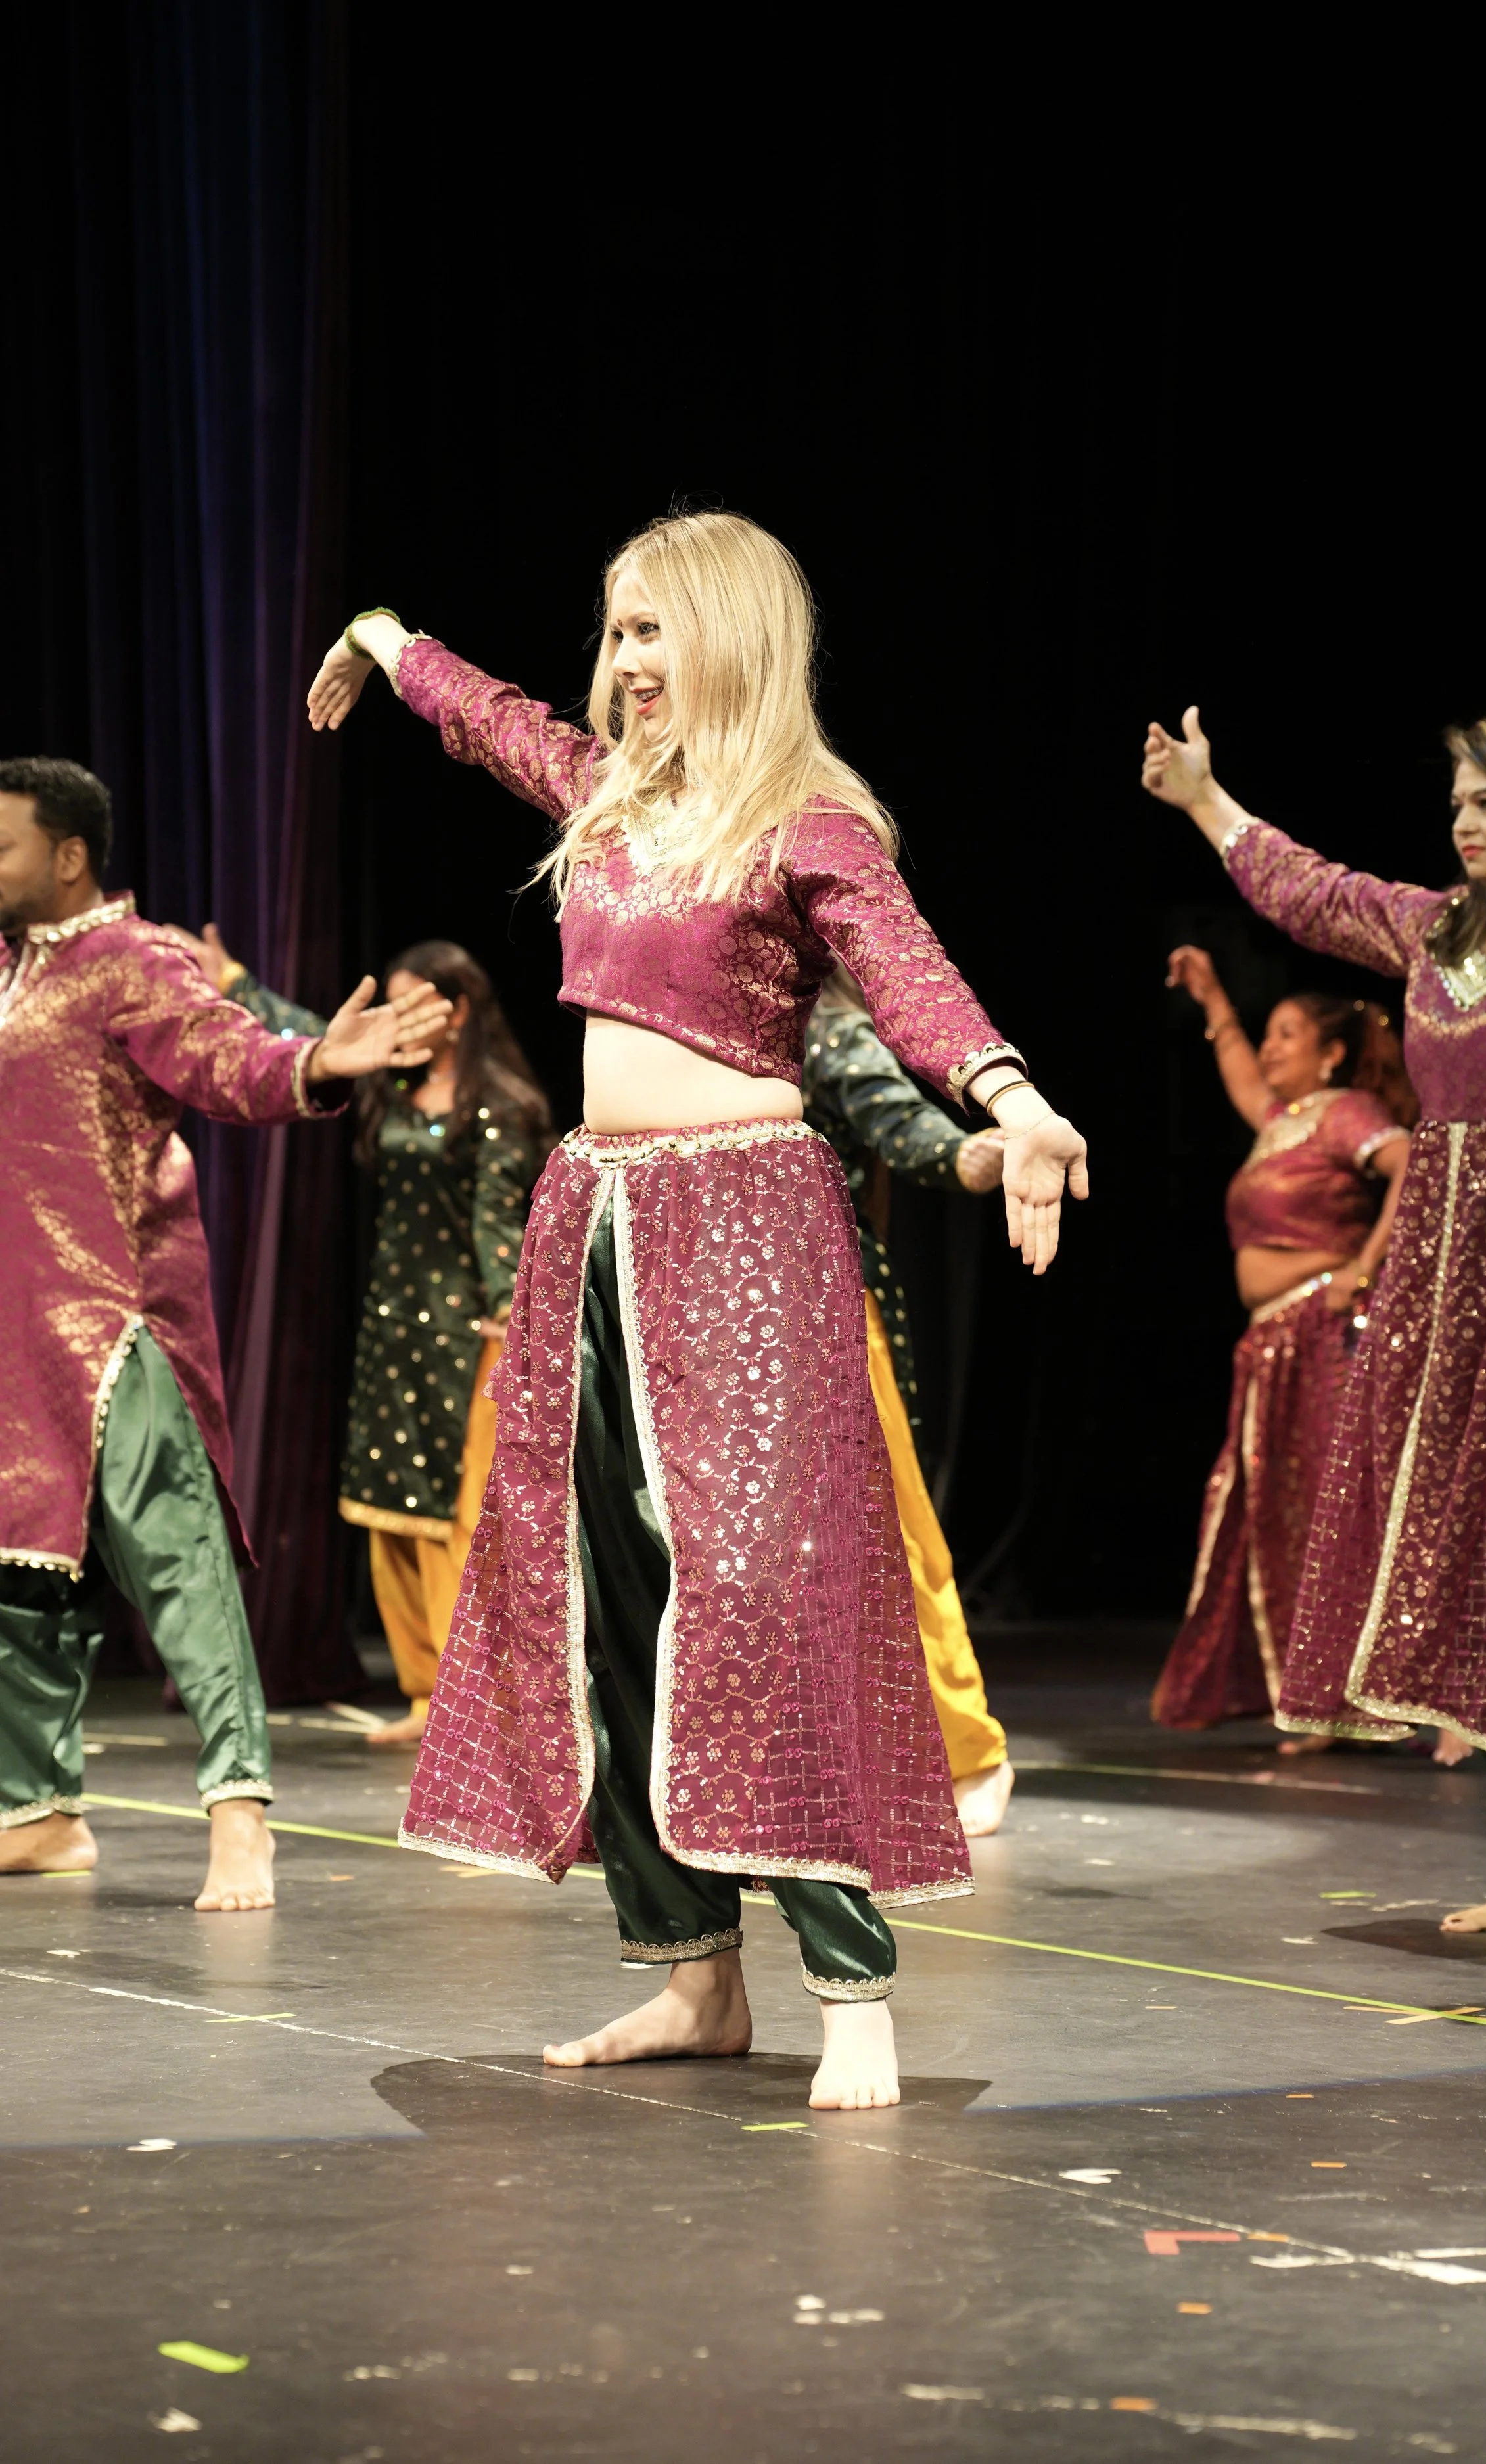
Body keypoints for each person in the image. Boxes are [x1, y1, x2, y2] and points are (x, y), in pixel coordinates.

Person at [308, 514, 1088, 2106]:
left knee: (756, 1596)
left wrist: (1012, 1101)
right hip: (595, 1220)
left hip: (743, 1224)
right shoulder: (604, 799)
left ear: (732, 636)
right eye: (616, 632)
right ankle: (693, 1975)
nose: (627, 661)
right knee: (610, 1595)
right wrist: (384, 640)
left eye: (655, 629)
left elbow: (906, 971)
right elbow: (491, 718)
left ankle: (851, 1983)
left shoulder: (806, 822)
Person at [1142, 704, 1486, 1948]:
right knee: (1472, 1562)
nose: (1461, 821)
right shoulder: (1435, 931)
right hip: (1447, 1294)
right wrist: (1205, 800)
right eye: (1457, 800)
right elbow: (1309, 890)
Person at [0, 757, 450, 1909]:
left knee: (177, 1562)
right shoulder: (7, 970)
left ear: (68, 856)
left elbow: (225, 1057)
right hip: (13, 1330)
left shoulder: (131, 959)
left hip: (111, 1318)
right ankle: (38, 1812)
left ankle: (241, 1811)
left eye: (3, 848)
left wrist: (316, 1060)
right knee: (20, 1579)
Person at [178, 930, 551, 1746]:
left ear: (458, 1013)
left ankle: (476, 1701)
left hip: (468, 1336)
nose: (397, 1020)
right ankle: (424, 1693)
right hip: (394, 1328)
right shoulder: (396, 1085)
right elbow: (318, 1037)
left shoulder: (500, 1104)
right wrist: (235, 981)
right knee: (390, 1511)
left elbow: (499, 1218)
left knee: (459, 1519)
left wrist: (509, 1311)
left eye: (414, 1006)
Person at [1151, 949, 1412, 1741]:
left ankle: (1357, 1702)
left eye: (1287, 1034)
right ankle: (1312, 1696)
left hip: (1324, 1338)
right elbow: (1240, 1074)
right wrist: (1213, 1001)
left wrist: (1363, 1267)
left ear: (1330, 1053)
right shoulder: (1279, 1123)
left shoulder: (1343, 1112)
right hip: (1273, 1345)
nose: (1270, 1047)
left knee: (1330, 1516)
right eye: (1268, 1034)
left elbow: (1412, 1162)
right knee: (1275, 1513)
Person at [804, 964, 1015, 1835]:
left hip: (821, 1308)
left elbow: (897, 1117)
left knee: (887, 1529)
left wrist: (966, 1153)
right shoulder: (711, 1032)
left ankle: (968, 1751)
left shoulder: (823, 1028)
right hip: (718, 1310)